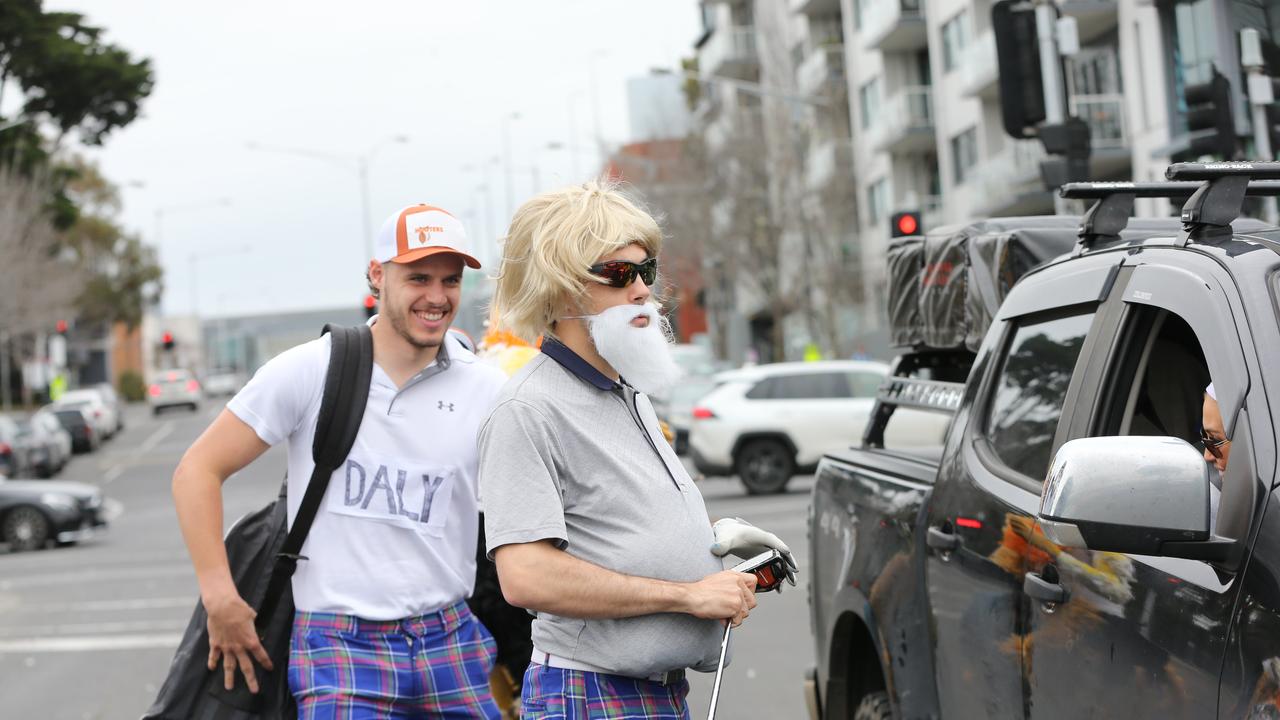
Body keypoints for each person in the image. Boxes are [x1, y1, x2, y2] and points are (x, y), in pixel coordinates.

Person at [171, 203, 508, 718]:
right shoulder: (311, 370)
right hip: (341, 644)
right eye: (418, 277)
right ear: (377, 275)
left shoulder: (486, 386)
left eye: (450, 280)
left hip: (451, 637)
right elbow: (197, 470)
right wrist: (219, 595)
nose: (437, 297)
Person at [478, 180, 795, 718]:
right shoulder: (527, 409)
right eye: (617, 274)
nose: (642, 289)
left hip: (656, 693)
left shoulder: (628, 392)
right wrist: (687, 595)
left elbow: (614, 526)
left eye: (645, 270)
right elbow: (525, 574)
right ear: (559, 291)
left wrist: (711, 544)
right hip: (590, 696)